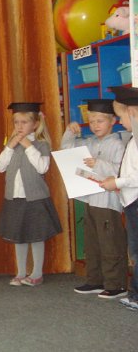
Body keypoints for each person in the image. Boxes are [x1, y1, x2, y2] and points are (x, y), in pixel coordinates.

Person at [60, 99, 127, 298]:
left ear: (112, 121)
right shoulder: (89, 142)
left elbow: (121, 171)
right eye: (91, 122)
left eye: (100, 121)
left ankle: (116, 284)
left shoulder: (117, 144)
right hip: (91, 200)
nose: (95, 125)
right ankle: (95, 280)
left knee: (110, 243)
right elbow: (66, 150)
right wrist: (70, 132)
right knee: (92, 243)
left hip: (108, 202)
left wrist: (98, 163)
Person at [0, 102, 62, 286]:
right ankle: (21, 272)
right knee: (19, 236)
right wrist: (10, 146)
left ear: (35, 124)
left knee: (36, 235)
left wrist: (28, 145)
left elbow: (42, 167)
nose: (19, 126)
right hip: (15, 199)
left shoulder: (41, 144)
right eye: (16, 122)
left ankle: (37, 273)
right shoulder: (11, 144)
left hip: (35, 199)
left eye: (24, 122)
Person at [99, 86, 138, 310]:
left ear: (133, 113)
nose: (120, 122)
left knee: (136, 251)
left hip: (136, 202)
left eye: (121, 117)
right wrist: (117, 183)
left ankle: (136, 296)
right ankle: (135, 294)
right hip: (131, 201)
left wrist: (118, 183)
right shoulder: (133, 139)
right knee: (135, 251)